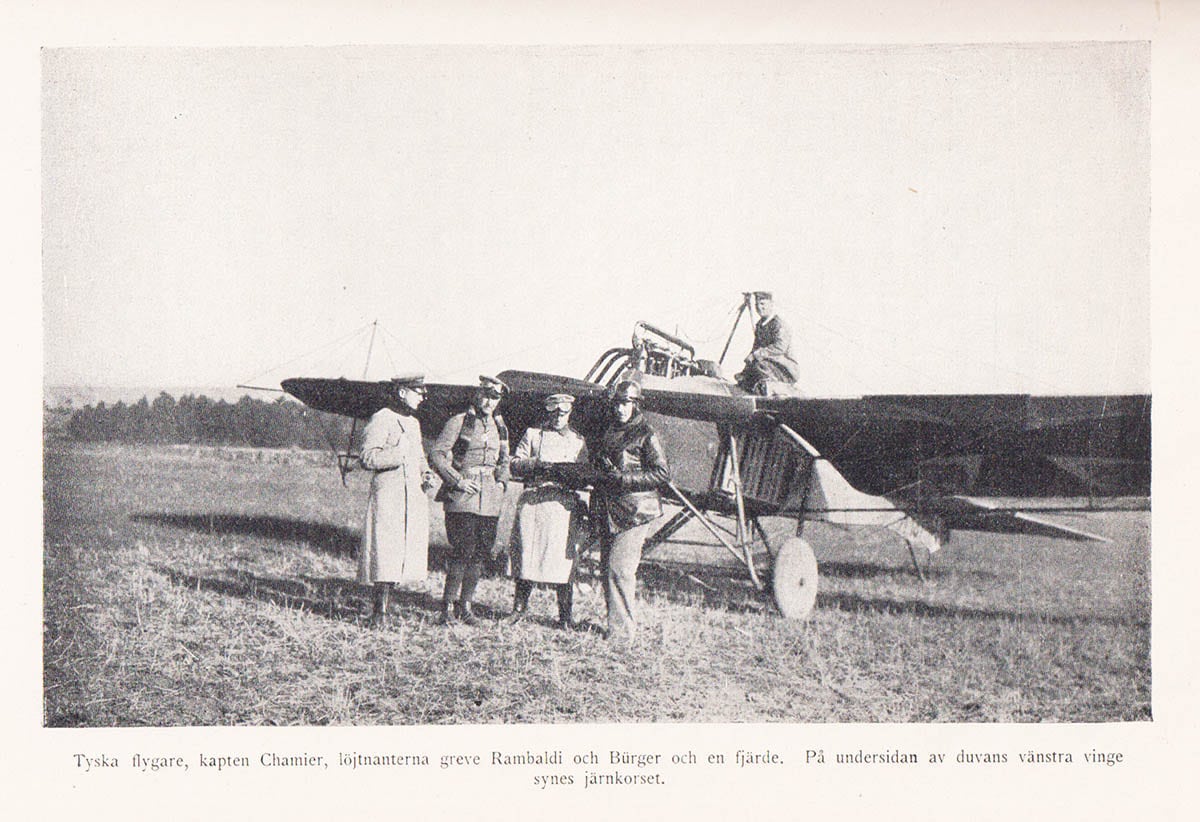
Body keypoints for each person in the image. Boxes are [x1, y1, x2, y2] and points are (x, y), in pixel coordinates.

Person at [589, 379, 670, 642]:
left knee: (620, 569)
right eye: (618, 403)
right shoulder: (609, 430)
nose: (621, 409)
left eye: (626, 404)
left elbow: (661, 474)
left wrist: (624, 479)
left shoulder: (647, 433)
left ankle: (622, 635)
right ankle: (615, 626)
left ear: (635, 405)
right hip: (611, 509)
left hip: (636, 511)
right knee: (608, 569)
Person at [430, 375, 511, 625]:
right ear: (477, 395)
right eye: (486, 395)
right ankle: (446, 609)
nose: (489, 401)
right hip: (463, 497)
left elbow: (504, 460)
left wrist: (501, 481)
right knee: (462, 551)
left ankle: (466, 608)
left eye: (495, 397)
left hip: (490, 500)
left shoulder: (500, 427)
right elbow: (437, 453)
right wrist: (457, 481)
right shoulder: (460, 422)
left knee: (479, 553)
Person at [358, 374, 436, 628]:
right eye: (418, 392)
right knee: (385, 551)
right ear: (402, 392)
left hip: (412, 496)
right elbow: (367, 458)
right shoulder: (382, 418)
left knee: (401, 552)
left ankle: (387, 608)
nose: (422, 397)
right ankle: (379, 612)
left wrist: (426, 474)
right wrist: (397, 455)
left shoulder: (413, 423)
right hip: (389, 496)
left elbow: (420, 456)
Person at [507, 393, 590, 629]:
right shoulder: (533, 435)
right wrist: (535, 464)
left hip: (562, 506)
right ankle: (518, 610)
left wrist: (573, 481)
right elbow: (514, 463)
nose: (558, 418)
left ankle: (565, 617)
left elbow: (584, 474)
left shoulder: (577, 441)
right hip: (535, 502)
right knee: (527, 557)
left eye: (562, 413)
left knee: (563, 563)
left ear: (569, 413)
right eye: (553, 413)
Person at [735, 291, 799, 394]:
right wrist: (749, 360)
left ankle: (773, 388)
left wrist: (757, 354)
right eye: (757, 304)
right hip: (767, 365)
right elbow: (756, 347)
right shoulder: (760, 325)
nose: (759, 307)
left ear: (771, 304)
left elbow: (780, 347)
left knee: (759, 365)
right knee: (747, 374)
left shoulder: (779, 325)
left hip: (784, 369)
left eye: (762, 304)